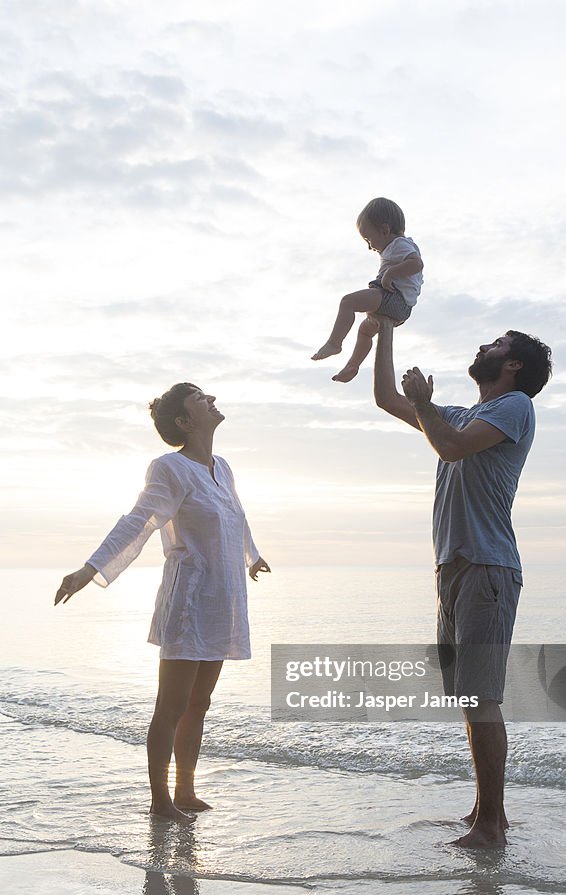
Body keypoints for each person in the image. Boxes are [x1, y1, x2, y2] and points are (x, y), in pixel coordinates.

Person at [54, 383, 270, 823]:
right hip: (190, 601)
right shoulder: (170, 468)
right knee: (171, 704)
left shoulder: (222, 467)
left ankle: (185, 791)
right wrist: (90, 569)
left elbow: (236, 515)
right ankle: (160, 801)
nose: (212, 399)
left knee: (199, 703)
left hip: (223, 599)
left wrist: (253, 555)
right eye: (199, 399)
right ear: (184, 422)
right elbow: (138, 521)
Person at [373, 319, 552, 848]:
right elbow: (386, 397)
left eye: (497, 345)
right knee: (469, 698)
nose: (485, 346)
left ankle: (493, 824)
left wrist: (426, 405)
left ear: (513, 364)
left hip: (487, 566)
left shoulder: (514, 406)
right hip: (453, 568)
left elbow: (450, 447)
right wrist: (384, 326)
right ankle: (482, 812)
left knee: (481, 698)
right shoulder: (461, 413)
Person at [311, 197, 423, 382]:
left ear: (385, 230)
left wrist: (391, 274)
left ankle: (334, 343)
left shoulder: (399, 245)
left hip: (393, 299)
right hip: (400, 307)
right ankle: (352, 366)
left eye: (369, 239)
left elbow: (416, 264)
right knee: (365, 331)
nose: (369, 247)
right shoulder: (397, 246)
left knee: (348, 302)